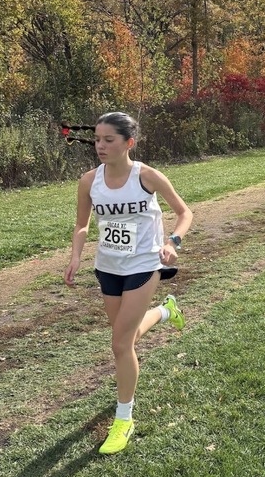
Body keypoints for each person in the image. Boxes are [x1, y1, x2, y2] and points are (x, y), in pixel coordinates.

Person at [64, 112, 193, 454]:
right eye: (97, 140)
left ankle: (124, 419)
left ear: (128, 143)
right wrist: (76, 256)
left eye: (109, 140)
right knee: (129, 337)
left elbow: (184, 212)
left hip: (145, 264)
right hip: (108, 267)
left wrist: (172, 243)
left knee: (120, 344)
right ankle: (166, 312)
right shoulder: (89, 181)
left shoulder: (147, 176)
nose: (100, 146)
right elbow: (81, 225)